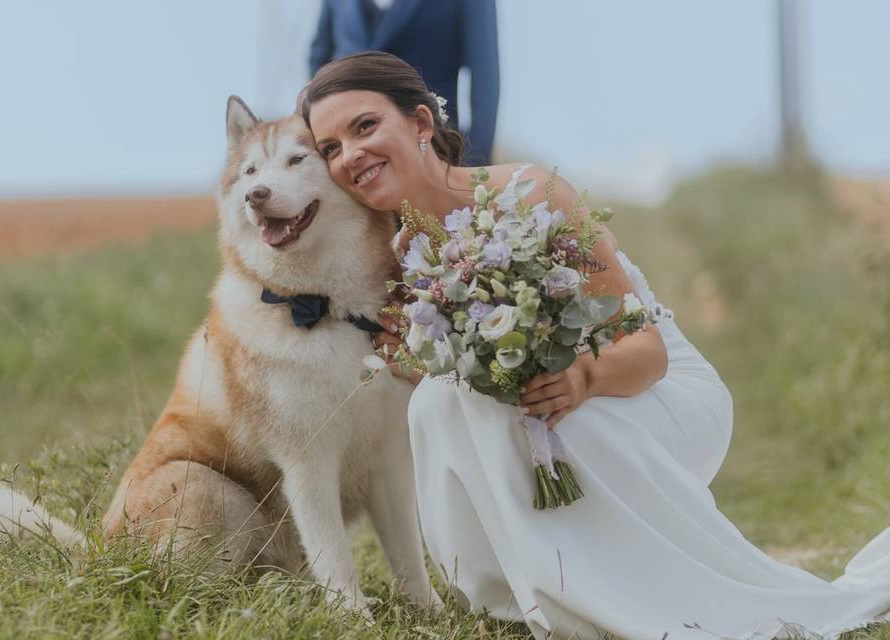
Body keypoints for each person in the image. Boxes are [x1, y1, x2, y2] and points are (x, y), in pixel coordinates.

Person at [298, 51, 890, 640]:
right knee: (442, 401)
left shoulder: (529, 195)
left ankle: (611, 600)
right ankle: (525, 591)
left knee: (523, 412)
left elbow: (648, 354)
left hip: (659, 396)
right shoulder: (402, 259)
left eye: (365, 127)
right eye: (330, 149)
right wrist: (416, 363)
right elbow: (456, 403)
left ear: (421, 124)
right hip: (545, 419)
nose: (349, 155)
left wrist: (580, 376)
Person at [307, 0, 499, 165]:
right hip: (351, 161)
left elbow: (485, 77)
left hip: (431, 150)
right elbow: (319, 58)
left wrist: (475, 165)